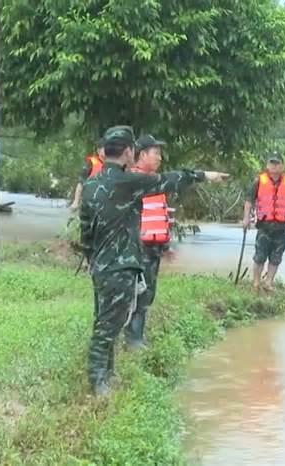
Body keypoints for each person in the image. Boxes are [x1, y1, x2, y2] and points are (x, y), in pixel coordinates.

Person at [80, 125, 229, 396]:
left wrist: (90, 256)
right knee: (108, 326)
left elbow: (85, 228)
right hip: (119, 266)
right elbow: (170, 180)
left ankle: (107, 375)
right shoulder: (128, 183)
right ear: (128, 151)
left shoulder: (91, 184)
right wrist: (204, 175)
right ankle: (97, 383)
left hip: (100, 265)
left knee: (105, 320)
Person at [125, 135, 169, 350]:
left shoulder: (153, 180)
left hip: (153, 247)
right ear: (142, 155)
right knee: (138, 293)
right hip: (138, 248)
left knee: (147, 293)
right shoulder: (133, 181)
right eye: (155, 153)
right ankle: (133, 340)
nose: (159, 157)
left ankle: (138, 337)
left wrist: (165, 246)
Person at [242, 152, 285, 292]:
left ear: (282, 165)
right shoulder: (259, 181)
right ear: (267, 165)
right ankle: (256, 283)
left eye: (277, 163)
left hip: (282, 227)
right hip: (264, 225)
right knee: (260, 255)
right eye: (271, 163)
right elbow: (249, 201)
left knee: (276, 256)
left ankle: (268, 283)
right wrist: (246, 219)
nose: (274, 166)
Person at [69, 138, 106, 212]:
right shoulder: (91, 164)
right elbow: (81, 183)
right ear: (99, 151)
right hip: (90, 202)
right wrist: (76, 202)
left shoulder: (115, 164)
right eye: (106, 149)